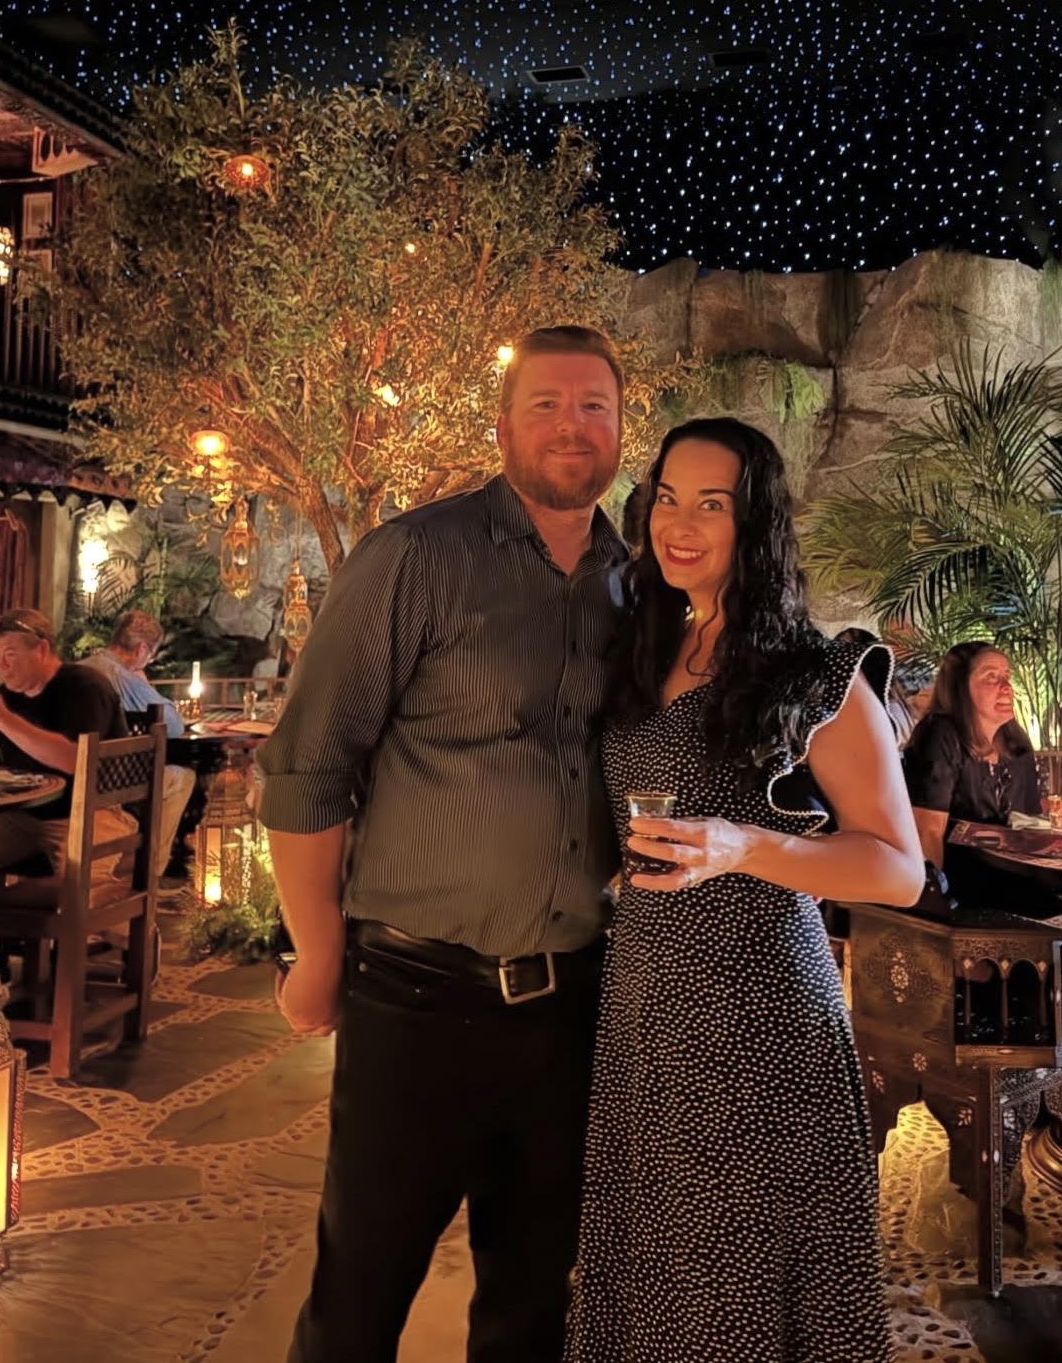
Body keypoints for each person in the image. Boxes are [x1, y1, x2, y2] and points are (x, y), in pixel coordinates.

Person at [256, 325, 628, 1363]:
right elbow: (306, 766)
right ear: (504, 424)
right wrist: (320, 956)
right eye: (547, 403)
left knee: (532, 1303)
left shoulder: (630, 586)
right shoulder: (415, 557)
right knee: (358, 1299)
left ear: (619, 426)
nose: (572, 424)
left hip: (574, 1005)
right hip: (418, 1000)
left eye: (593, 405)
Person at [565, 418, 924, 1363]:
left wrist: (744, 844)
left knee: (748, 1268)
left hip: (760, 1011)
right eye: (668, 500)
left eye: (712, 505)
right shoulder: (645, 653)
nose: (680, 526)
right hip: (647, 997)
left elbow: (898, 867)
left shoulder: (816, 674)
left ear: (754, 523)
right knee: (660, 1261)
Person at [0, 607, 128, 940]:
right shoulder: (7, 698)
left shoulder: (83, 686)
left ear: (41, 649)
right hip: (24, 818)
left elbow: (77, 759)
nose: (2, 667)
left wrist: (1, 719)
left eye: (11, 655)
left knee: (87, 896)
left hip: (91, 815)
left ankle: (117, 945)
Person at [902, 640, 1040, 902]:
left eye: (1006, 677)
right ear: (960, 687)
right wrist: (937, 904)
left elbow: (1030, 825)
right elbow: (926, 831)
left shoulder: (1016, 744)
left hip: (1015, 878)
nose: (1006, 688)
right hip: (962, 885)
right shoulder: (940, 734)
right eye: (991, 677)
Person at [86, 609, 195, 875]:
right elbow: (173, 724)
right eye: (150, 654)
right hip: (112, 781)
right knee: (182, 777)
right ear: (141, 648)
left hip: (76, 771)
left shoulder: (83, 668)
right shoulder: (125, 677)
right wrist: (143, 682)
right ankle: (148, 869)